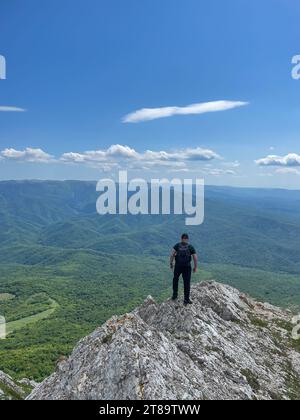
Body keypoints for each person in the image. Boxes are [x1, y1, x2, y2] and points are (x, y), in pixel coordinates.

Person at [170, 233, 198, 305]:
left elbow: (172, 254)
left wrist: (171, 263)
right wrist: (195, 267)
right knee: (187, 282)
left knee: (175, 279)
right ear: (187, 239)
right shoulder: (190, 247)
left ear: (181, 238)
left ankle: (175, 295)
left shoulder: (177, 245)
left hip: (178, 266)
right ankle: (186, 299)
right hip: (187, 267)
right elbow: (195, 257)